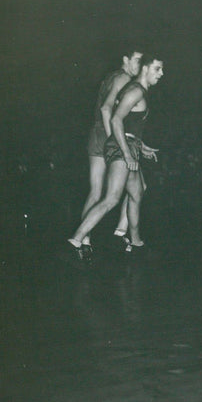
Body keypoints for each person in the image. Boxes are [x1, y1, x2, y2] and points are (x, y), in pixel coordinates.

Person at [66, 55, 163, 264]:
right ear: (145, 69)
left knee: (139, 191)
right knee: (111, 198)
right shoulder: (135, 90)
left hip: (128, 145)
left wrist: (139, 146)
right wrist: (127, 153)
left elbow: (130, 125)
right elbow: (116, 119)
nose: (161, 74)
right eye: (157, 69)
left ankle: (135, 242)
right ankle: (75, 240)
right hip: (121, 148)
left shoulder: (138, 90)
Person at [79, 51, 143, 259]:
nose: (139, 64)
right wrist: (113, 141)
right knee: (136, 188)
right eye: (137, 60)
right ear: (125, 59)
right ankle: (120, 233)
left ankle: (84, 242)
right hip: (106, 134)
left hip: (96, 132)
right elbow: (107, 109)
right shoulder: (124, 78)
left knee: (97, 192)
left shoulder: (111, 76)